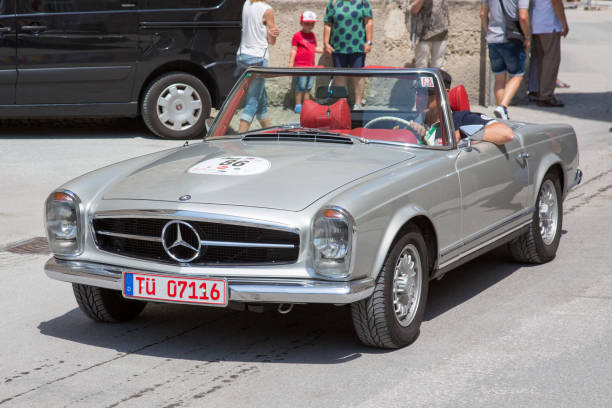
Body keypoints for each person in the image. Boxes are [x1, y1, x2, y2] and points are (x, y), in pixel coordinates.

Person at [411, 70, 514, 146]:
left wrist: (462, 133)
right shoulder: (408, 119)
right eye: (418, 92)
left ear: (444, 94)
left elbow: (506, 133)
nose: (421, 98)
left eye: (428, 93)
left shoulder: (461, 119)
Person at [480, 0, 530, 120]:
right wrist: (527, 37)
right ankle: (502, 107)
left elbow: (483, 14)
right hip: (512, 39)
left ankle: (501, 115)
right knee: (517, 75)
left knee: (499, 77)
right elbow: (523, 16)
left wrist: (489, 33)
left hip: (493, 39)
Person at [236, 0, 280, 133]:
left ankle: (270, 136)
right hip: (258, 58)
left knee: (261, 100)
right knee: (253, 101)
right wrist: (274, 34)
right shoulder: (267, 9)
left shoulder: (245, 5)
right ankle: (239, 137)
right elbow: (271, 41)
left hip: (242, 56)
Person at [323, 0, 373, 109]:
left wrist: (369, 42)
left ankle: (358, 104)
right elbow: (327, 23)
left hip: (358, 46)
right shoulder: (333, 3)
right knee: (340, 75)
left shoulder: (363, 2)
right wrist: (326, 43)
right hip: (337, 46)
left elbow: (368, 21)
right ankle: (342, 103)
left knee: (358, 75)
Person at [529, 0, 569, 107]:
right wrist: (564, 23)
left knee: (541, 60)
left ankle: (538, 90)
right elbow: (556, 2)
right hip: (549, 25)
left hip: (537, 23)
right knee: (551, 61)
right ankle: (546, 96)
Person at [288, 11, 323, 113]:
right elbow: (294, 49)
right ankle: (298, 105)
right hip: (300, 66)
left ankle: (306, 105)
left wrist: (325, 50)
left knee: (308, 87)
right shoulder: (297, 36)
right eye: (307, 23)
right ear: (301, 23)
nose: (310, 26)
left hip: (311, 66)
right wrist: (291, 62)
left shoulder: (312, 35)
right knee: (301, 85)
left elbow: (314, 48)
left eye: (312, 24)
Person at [409, 0, 450, 69]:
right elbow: (413, 10)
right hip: (423, 33)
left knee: (439, 66)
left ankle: (437, 79)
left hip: (441, 31)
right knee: (421, 66)